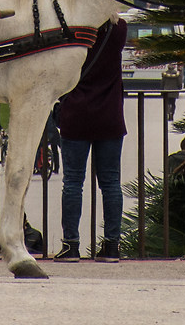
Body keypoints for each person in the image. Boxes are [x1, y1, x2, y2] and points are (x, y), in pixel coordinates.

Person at [54, 19, 128, 262]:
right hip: (109, 115)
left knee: (73, 182)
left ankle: (71, 245)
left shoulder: (76, 29)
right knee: (111, 183)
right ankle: (112, 245)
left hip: (77, 114)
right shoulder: (119, 30)